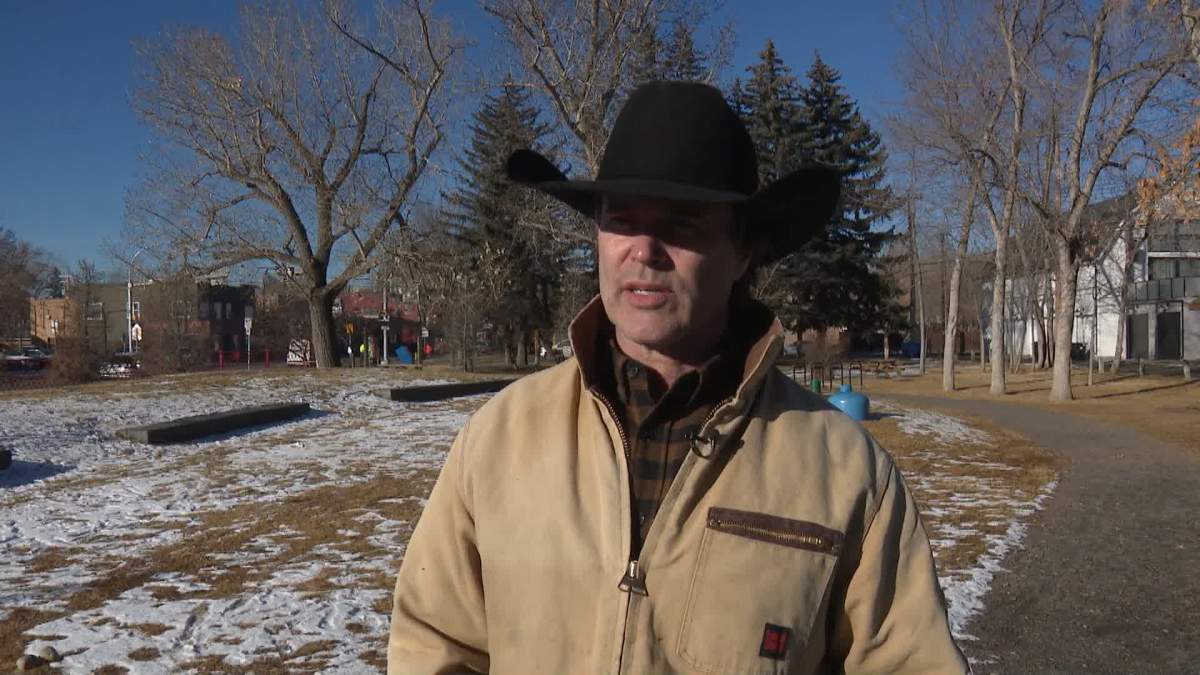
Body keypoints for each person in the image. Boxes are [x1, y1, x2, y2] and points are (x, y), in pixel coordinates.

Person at [388, 82, 967, 674]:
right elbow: (433, 647)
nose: (644, 250)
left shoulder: (845, 473)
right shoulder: (500, 438)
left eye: (682, 224)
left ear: (742, 253)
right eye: (621, 220)